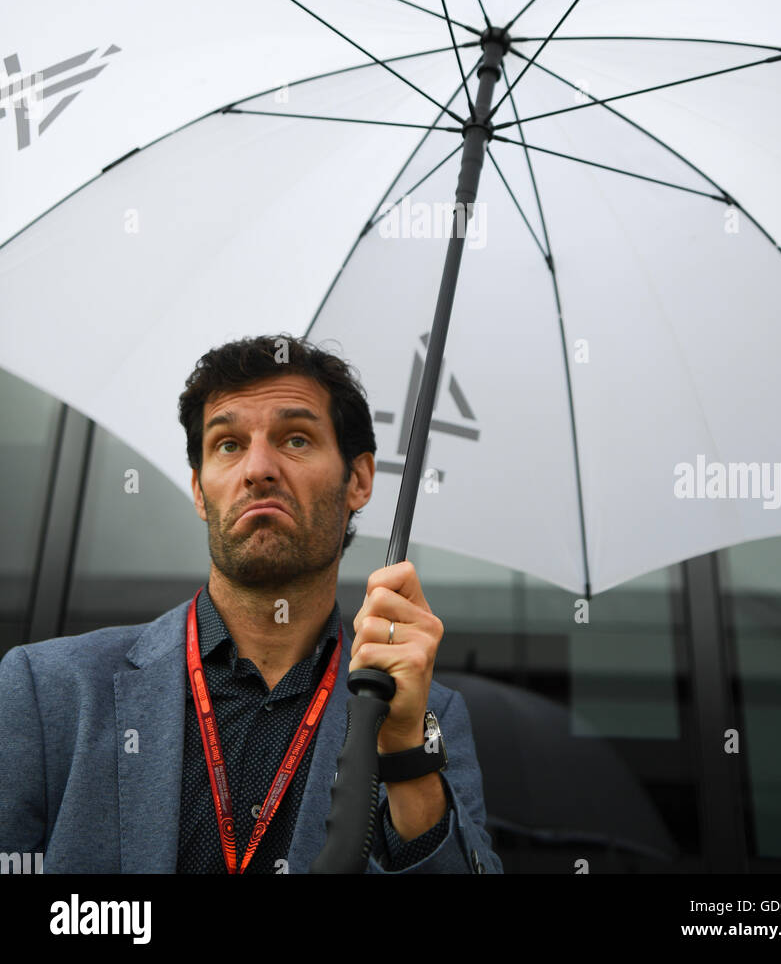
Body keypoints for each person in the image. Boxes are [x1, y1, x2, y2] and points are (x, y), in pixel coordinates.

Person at [0, 334, 502, 874]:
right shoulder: (47, 688)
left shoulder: (429, 714)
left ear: (358, 479)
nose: (258, 468)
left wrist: (405, 753)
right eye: (229, 444)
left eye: (296, 440)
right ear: (199, 490)